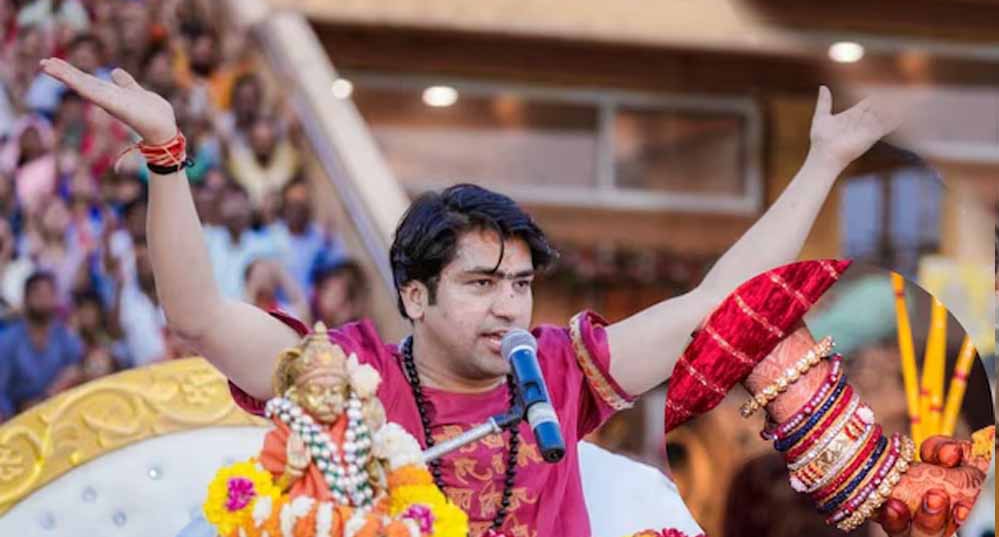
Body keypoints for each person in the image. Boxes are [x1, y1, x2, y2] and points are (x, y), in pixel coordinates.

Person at [39, 57, 980, 537]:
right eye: (481, 284)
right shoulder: (345, 376)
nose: (509, 308)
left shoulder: (562, 373)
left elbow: (714, 300)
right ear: (414, 296)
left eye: (521, 285)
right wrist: (167, 157)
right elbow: (199, 315)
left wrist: (821, 163)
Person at [0, 271, 84, 413]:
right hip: (17, 416)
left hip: (58, 412)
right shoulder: (8, 340)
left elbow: (77, 370)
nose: (44, 300)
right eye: (38, 295)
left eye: (48, 295)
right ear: (26, 298)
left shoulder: (65, 337)